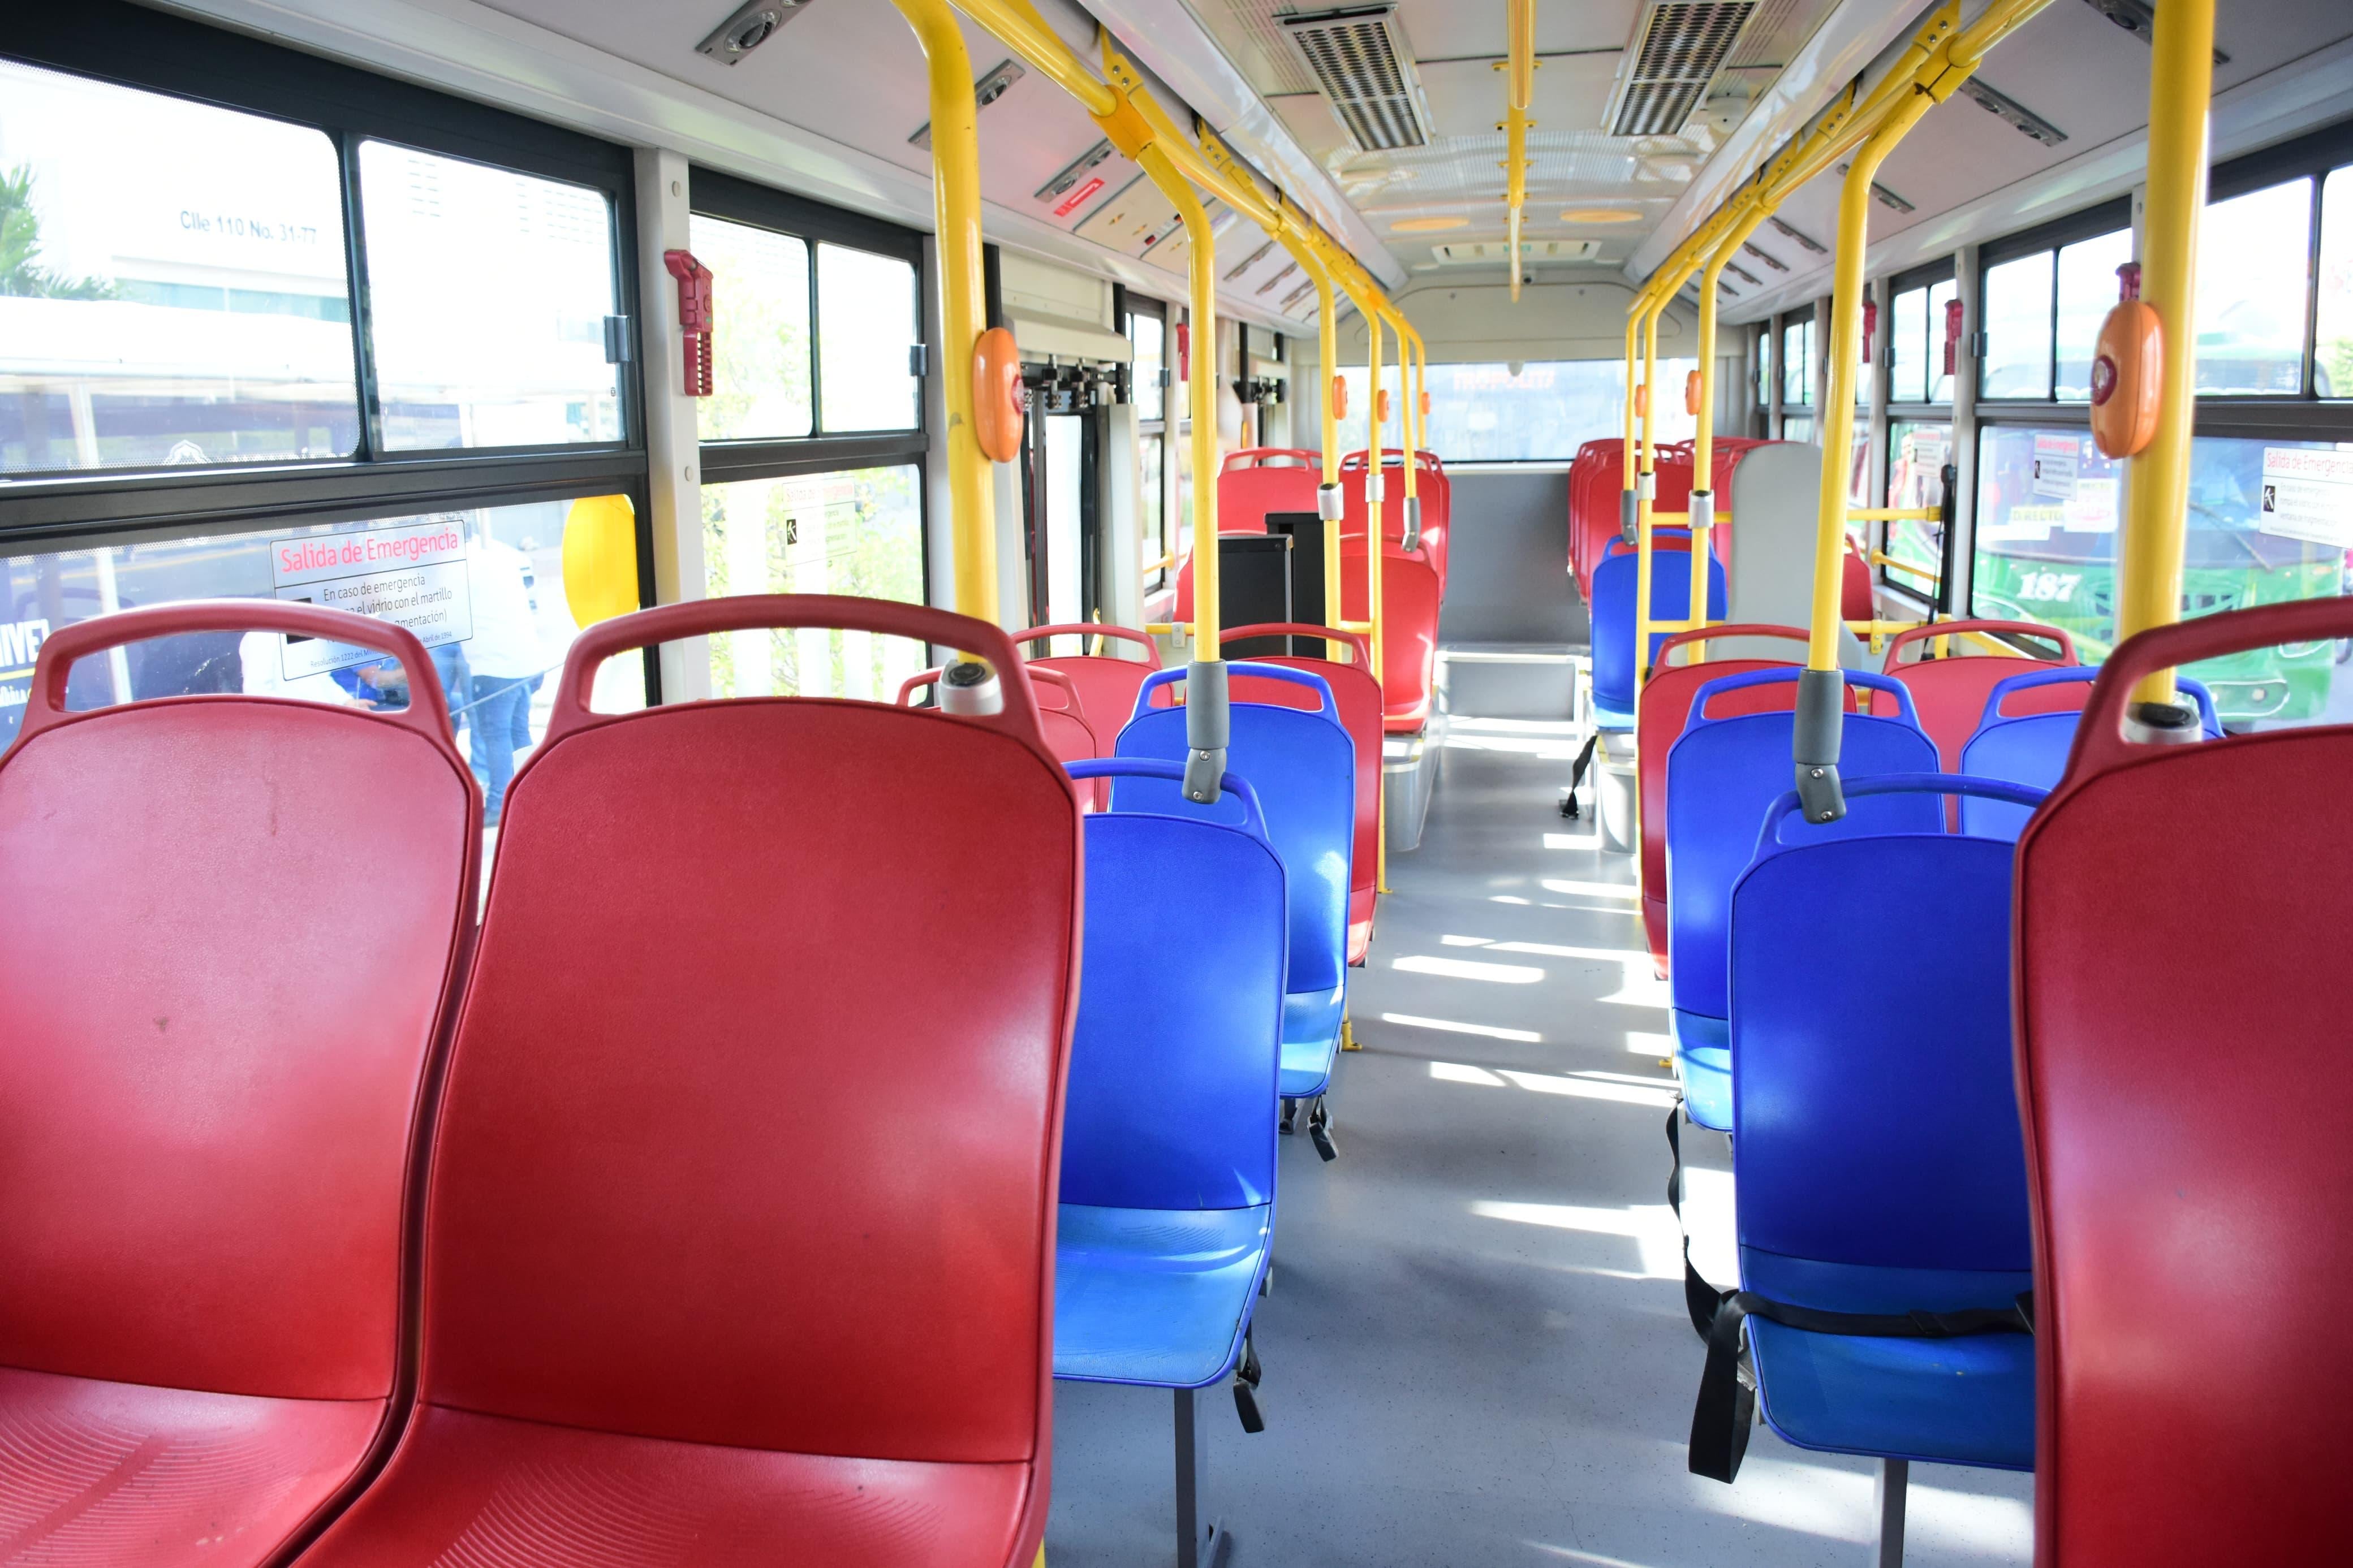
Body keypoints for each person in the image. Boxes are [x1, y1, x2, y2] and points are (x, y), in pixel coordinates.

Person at [460, 520, 547, 828]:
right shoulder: (506, 555)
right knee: (519, 730)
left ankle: (499, 803)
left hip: (493, 664)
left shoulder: (459, 563)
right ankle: (529, 795)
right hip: (526, 659)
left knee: (496, 735)